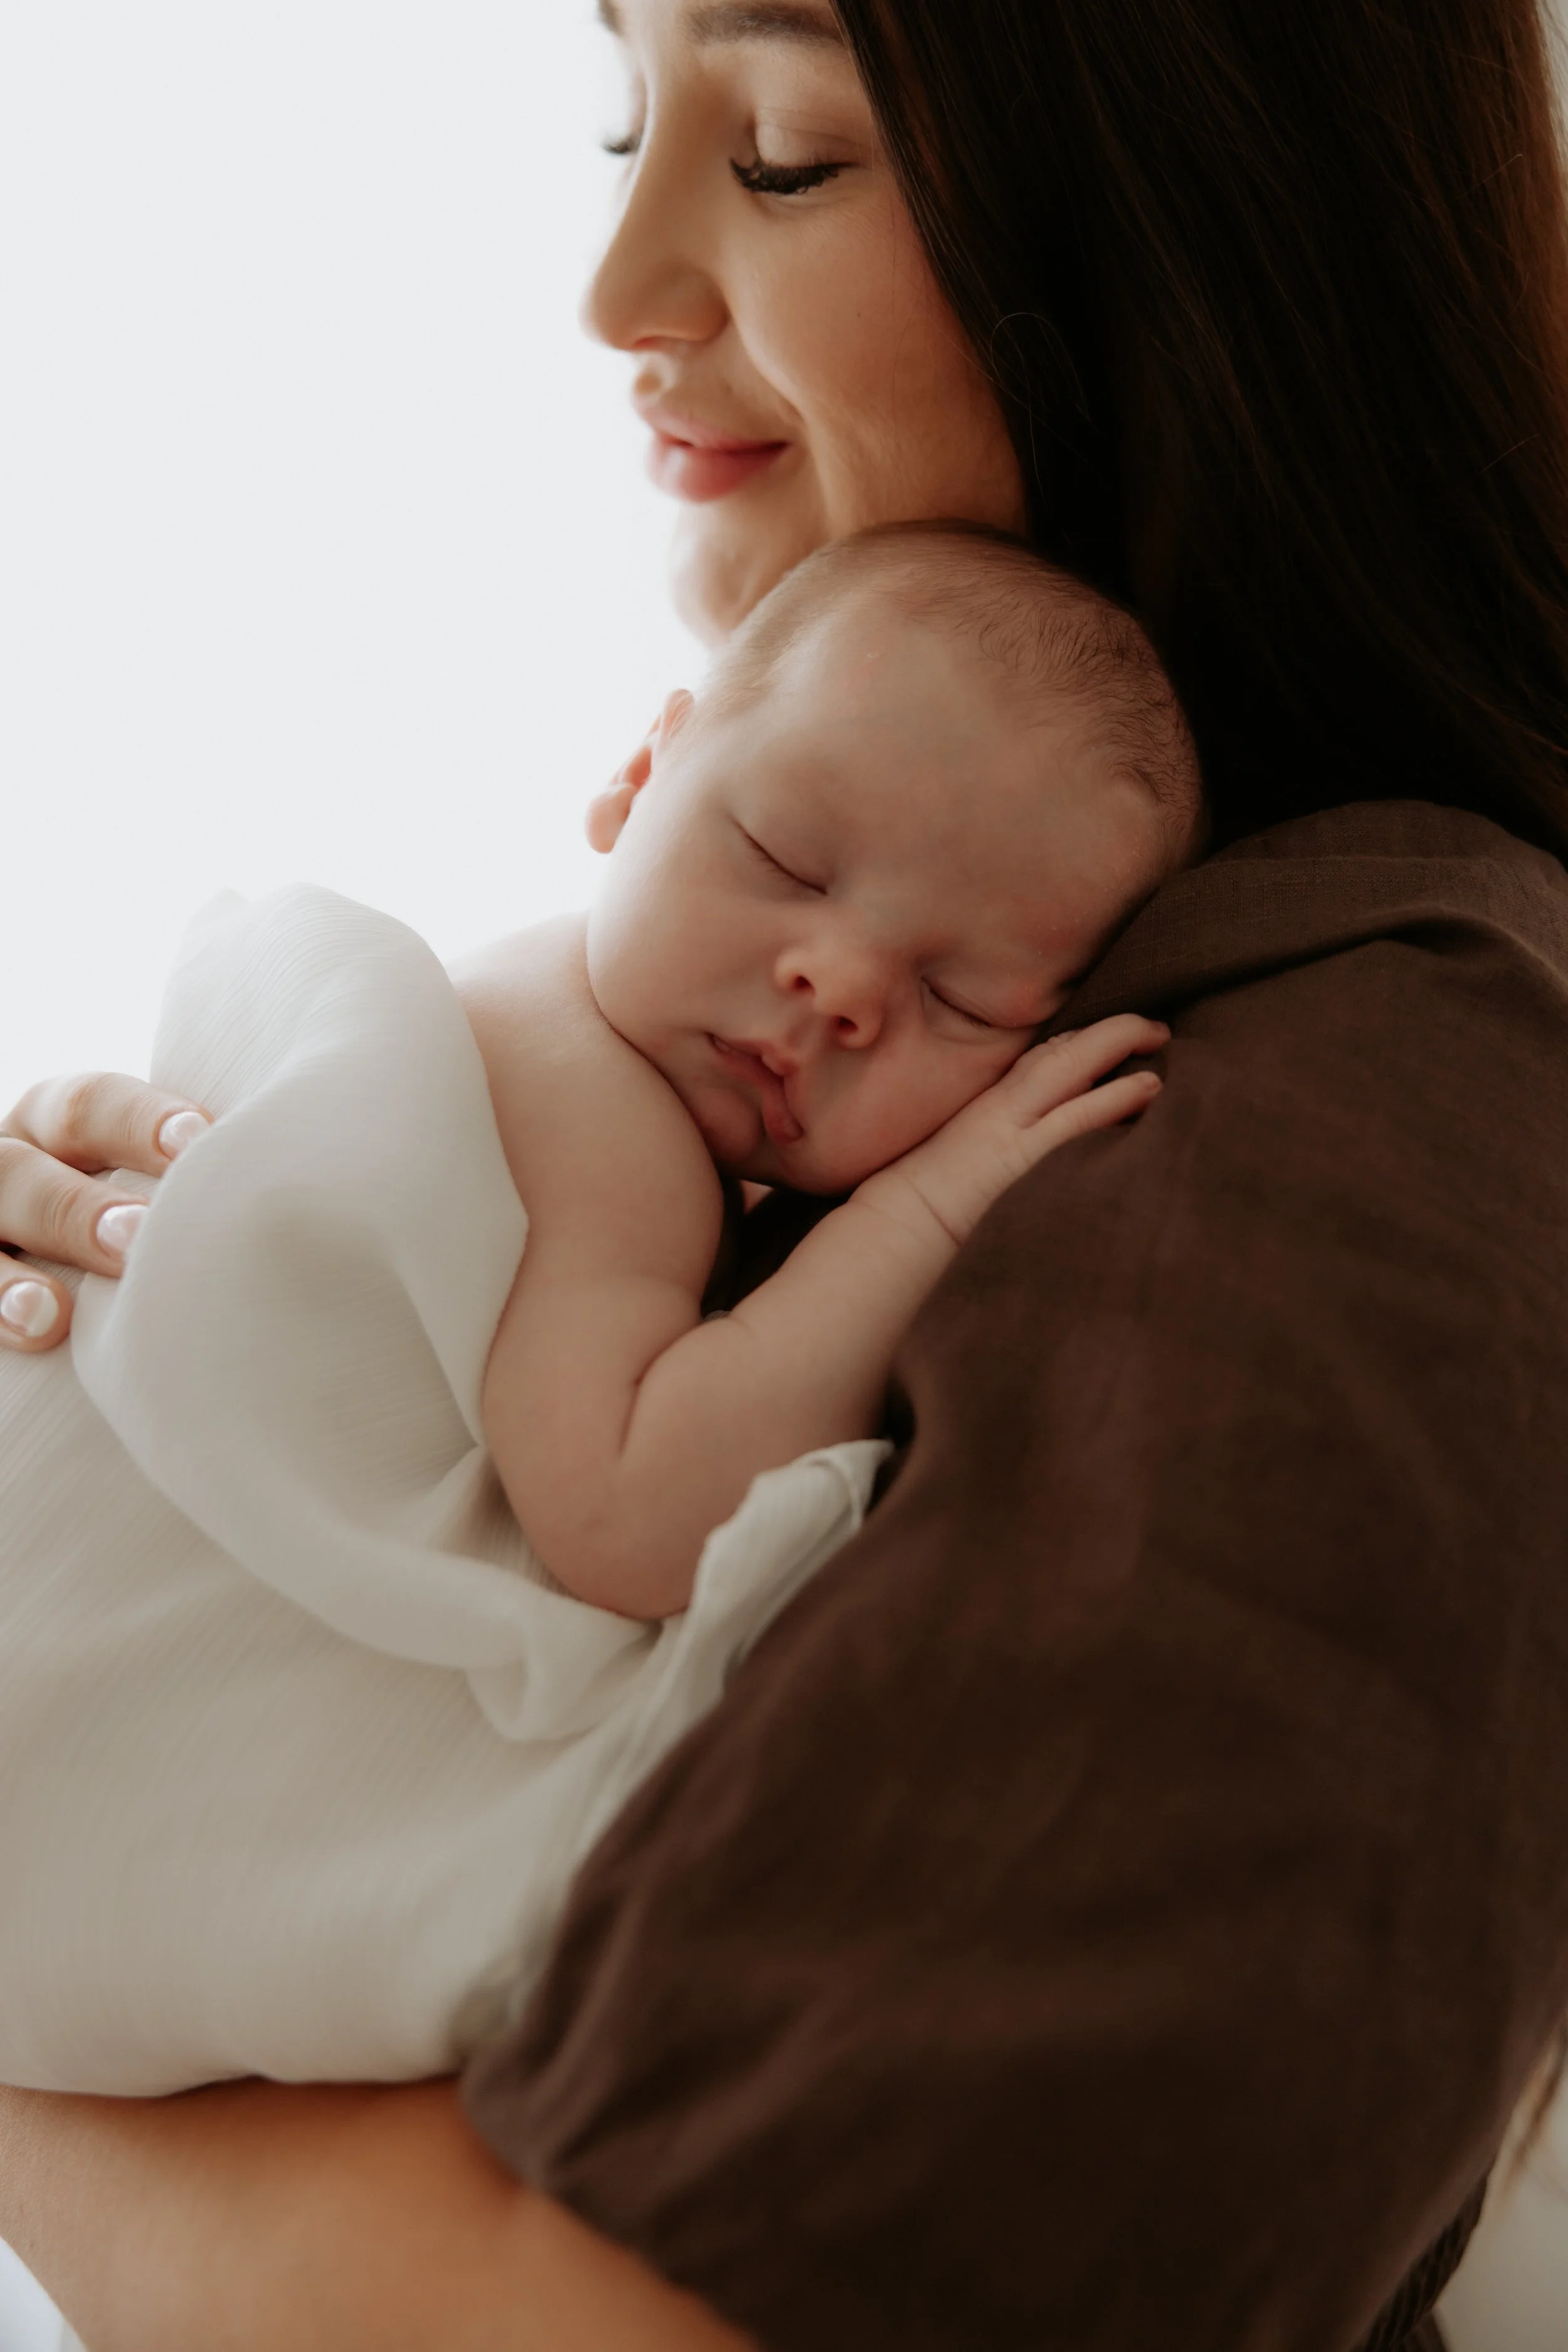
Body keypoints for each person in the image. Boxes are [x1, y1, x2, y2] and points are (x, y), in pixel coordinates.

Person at [4, 1, 1568, 2348]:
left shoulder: (1369, 1092)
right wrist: (168, 1294)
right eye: (625, 121)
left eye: (793, 153)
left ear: (1198, 228)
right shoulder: (820, 1021)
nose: (614, 287)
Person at [0, 529, 1177, 2100]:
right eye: (786, 860)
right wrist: (931, 1203)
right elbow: (623, 1513)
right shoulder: (598, 1107)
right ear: (639, 776)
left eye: (960, 999)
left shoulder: (592, 1022)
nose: (834, 982)